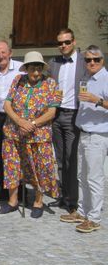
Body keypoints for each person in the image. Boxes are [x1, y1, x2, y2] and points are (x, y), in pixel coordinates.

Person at [0, 51, 61, 218]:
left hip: (39, 135)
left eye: (39, 69)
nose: (36, 73)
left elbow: (52, 112)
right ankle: (12, 201)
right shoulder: (18, 80)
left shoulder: (50, 84)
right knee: (12, 166)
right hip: (14, 133)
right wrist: (20, 122)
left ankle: (38, 202)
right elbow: (7, 105)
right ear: (26, 69)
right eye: (32, 69)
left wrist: (32, 124)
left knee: (41, 168)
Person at [61, 46, 107, 233]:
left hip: (98, 134)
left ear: (102, 60)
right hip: (84, 132)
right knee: (81, 176)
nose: (92, 63)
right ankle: (82, 211)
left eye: (95, 59)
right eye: (88, 60)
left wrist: (97, 100)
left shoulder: (105, 78)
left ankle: (94, 218)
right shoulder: (86, 78)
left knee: (94, 177)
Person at [48, 28, 85, 213]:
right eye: (60, 43)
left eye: (67, 42)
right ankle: (63, 196)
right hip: (56, 115)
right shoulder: (54, 62)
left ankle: (73, 200)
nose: (63, 45)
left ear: (74, 42)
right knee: (60, 159)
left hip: (73, 115)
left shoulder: (85, 61)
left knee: (71, 159)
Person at [0, 41, 23, 202]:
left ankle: (20, 192)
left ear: (10, 53)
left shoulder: (21, 69)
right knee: (1, 155)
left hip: (15, 117)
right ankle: (4, 189)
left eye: (3, 52)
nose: (0, 56)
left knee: (18, 155)